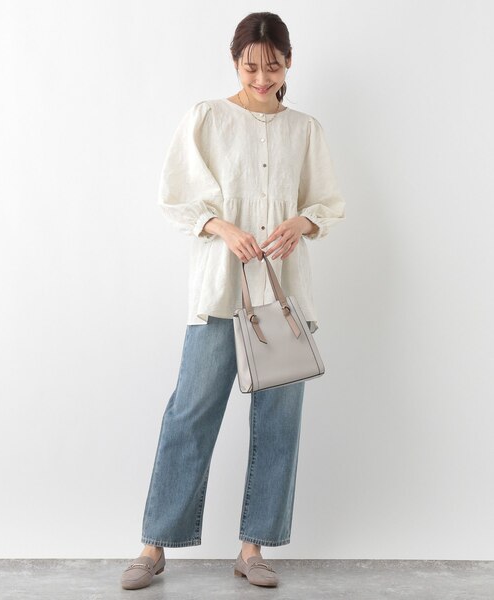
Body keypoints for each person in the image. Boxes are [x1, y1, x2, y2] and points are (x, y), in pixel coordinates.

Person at [120, 11, 345, 591]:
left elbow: (326, 203)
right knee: (190, 413)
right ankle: (153, 545)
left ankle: (253, 548)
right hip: (220, 291)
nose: (263, 78)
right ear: (235, 62)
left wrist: (301, 222)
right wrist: (221, 226)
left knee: (279, 424)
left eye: (274, 66)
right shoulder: (208, 118)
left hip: (284, 297)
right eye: (251, 67)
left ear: (289, 63)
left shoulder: (306, 130)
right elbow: (175, 197)